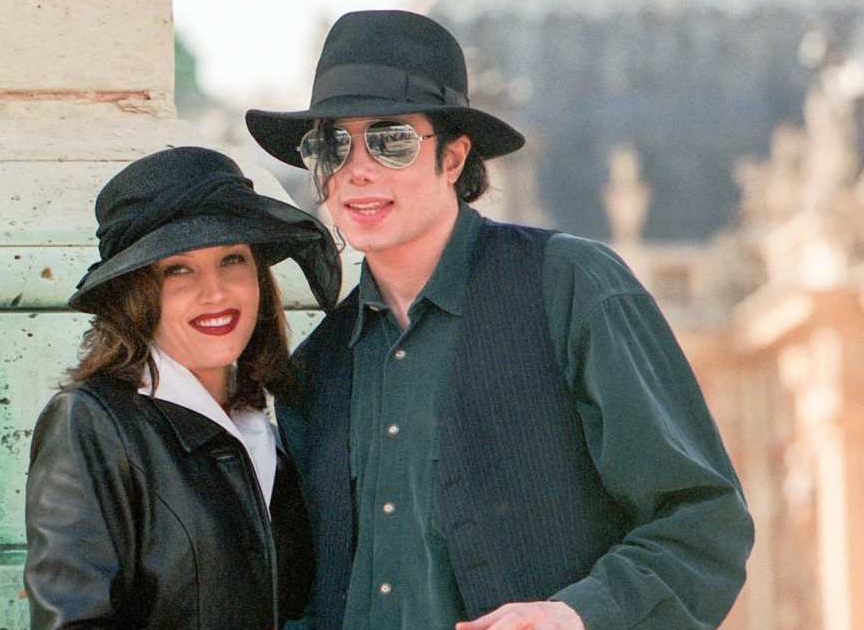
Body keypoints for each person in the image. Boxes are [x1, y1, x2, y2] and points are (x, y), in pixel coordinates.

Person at [245, 10, 753, 630]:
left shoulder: (570, 286)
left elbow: (703, 523)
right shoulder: (317, 366)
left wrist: (576, 615)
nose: (357, 169)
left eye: (391, 140)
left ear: (454, 159)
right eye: (332, 145)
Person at [22, 146, 341, 630]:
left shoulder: (281, 429)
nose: (215, 292)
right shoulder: (91, 423)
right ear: (135, 293)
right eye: (178, 269)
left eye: (232, 258)